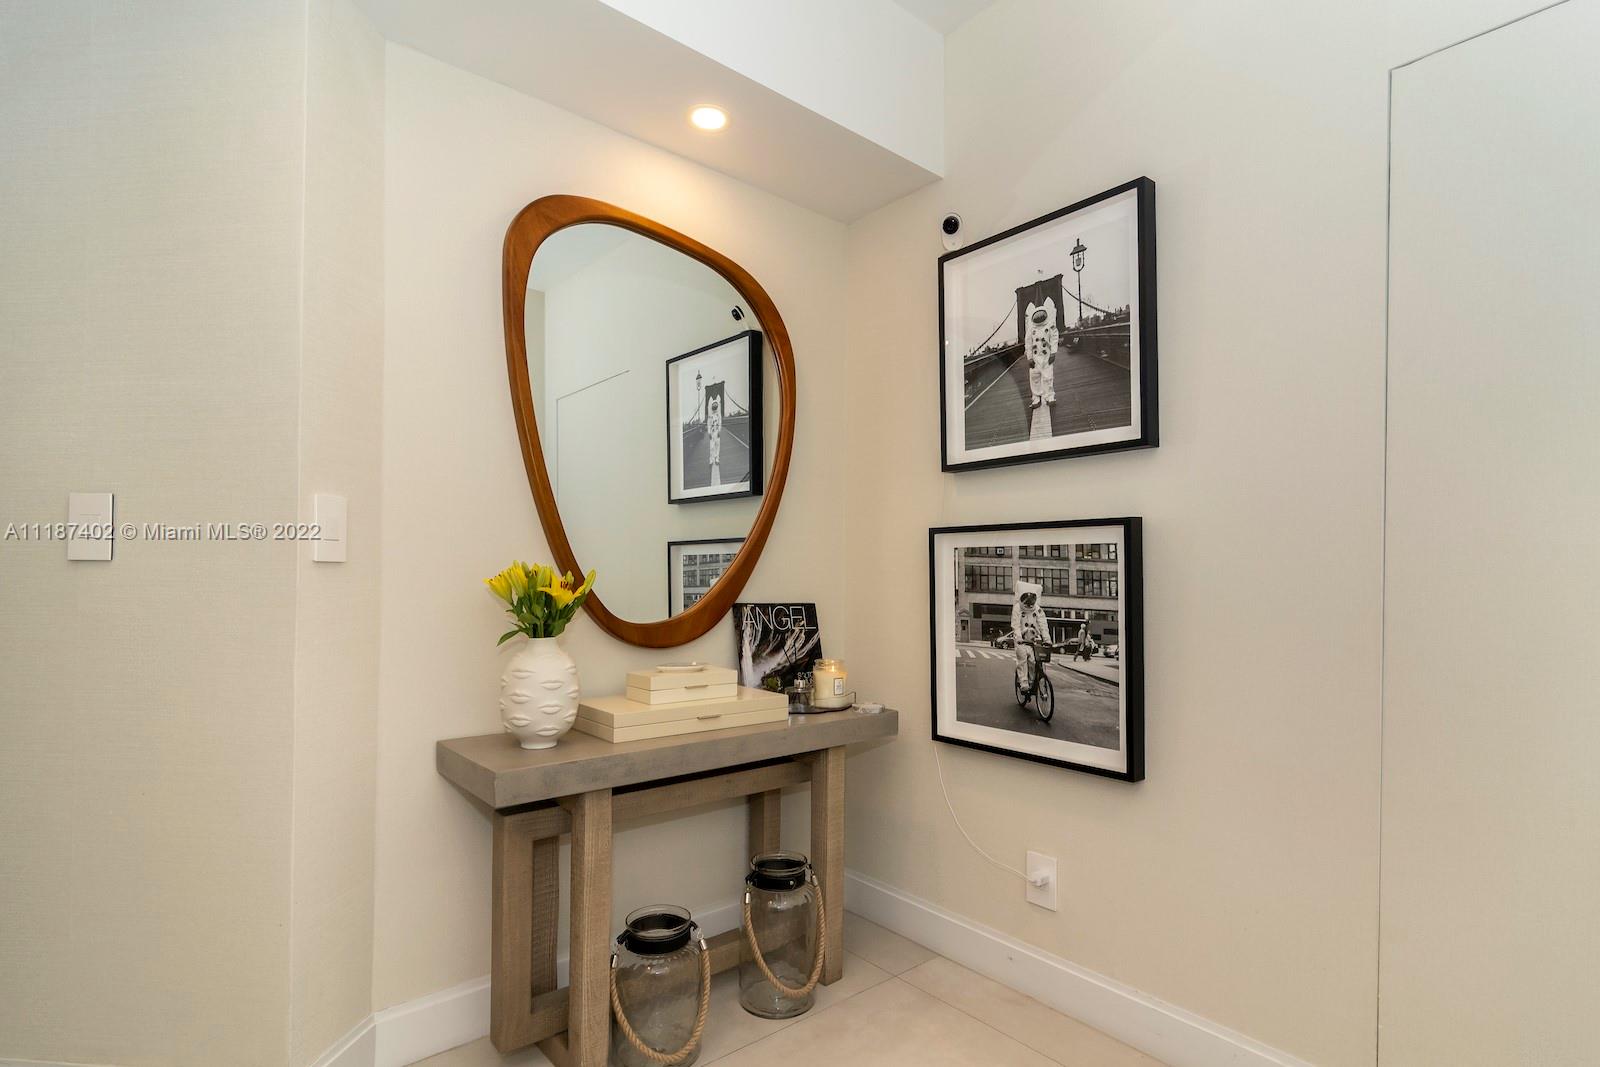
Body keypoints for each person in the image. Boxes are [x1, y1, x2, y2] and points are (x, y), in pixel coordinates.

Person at [1011, 580, 1050, 690]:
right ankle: (1023, 682)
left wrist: (1047, 639)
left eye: (1031, 601)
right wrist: (1019, 636)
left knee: (1033, 661)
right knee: (1022, 658)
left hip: (1033, 639)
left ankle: (1032, 682)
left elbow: (1043, 624)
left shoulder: (1037, 609)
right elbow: (1015, 624)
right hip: (1021, 640)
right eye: (1026, 601)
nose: (1028, 604)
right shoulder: (1017, 608)